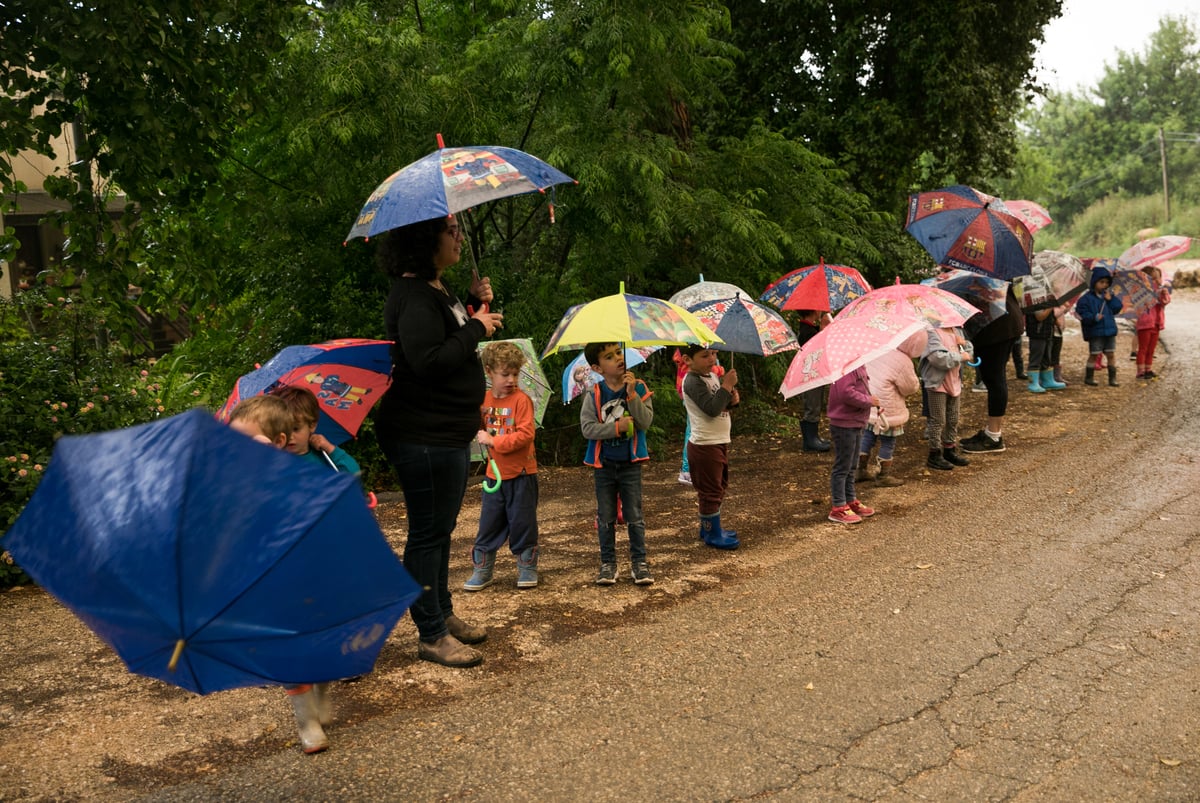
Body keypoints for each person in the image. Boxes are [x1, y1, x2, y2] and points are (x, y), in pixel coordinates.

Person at [373, 214, 504, 669]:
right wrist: (476, 327)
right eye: (451, 231)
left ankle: (442, 613)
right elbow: (427, 360)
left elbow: (447, 339)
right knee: (428, 534)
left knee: (440, 530)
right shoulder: (412, 297)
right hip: (421, 434)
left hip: (446, 430)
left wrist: (470, 305)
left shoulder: (436, 290)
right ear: (425, 239)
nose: (458, 237)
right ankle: (430, 634)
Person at [227, 395, 333, 755]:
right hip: (272, 584)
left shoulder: (298, 473)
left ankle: (321, 691)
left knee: (321, 644)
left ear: (279, 442)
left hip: (312, 576)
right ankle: (307, 721)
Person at [464, 341, 540, 591]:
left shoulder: (521, 401)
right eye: (505, 374)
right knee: (489, 523)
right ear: (489, 371)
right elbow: (477, 431)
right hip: (493, 476)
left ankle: (527, 567)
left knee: (522, 522)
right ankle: (483, 570)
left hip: (521, 474)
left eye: (515, 374)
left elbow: (526, 435)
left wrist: (494, 440)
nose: (511, 379)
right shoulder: (482, 401)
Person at [580, 341, 655, 585]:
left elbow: (645, 422)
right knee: (606, 516)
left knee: (634, 514)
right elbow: (588, 428)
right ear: (597, 367)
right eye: (609, 357)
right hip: (604, 465)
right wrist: (616, 428)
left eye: (619, 352)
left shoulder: (639, 387)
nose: (618, 359)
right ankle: (608, 564)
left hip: (630, 463)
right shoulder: (594, 393)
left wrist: (632, 395)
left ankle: (639, 563)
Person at [680, 344, 740, 549]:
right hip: (704, 445)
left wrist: (732, 399)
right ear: (688, 359)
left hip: (718, 441)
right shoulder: (692, 381)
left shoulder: (711, 376)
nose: (712, 359)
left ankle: (709, 527)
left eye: (714, 354)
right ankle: (711, 533)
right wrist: (726, 386)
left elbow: (720, 403)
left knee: (720, 485)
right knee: (710, 491)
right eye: (705, 355)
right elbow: (712, 409)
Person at [961, 285, 1024, 454]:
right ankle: (991, 432)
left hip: (998, 328)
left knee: (995, 378)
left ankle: (994, 436)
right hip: (995, 326)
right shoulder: (983, 267)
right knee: (991, 378)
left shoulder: (984, 269)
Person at [859, 329, 923, 487]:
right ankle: (883, 475)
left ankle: (859, 469)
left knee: (867, 437)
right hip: (888, 411)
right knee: (888, 442)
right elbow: (909, 387)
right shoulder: (903, 361)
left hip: (870, 404)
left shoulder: (879, 349)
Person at [269, 385, 362, 474]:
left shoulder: (322, 455)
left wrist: (330, 449)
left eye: (295, 429)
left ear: (312, 425)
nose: (289, 436)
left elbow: (352, 472)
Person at [826, 365, 878, 524]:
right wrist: (868, 401)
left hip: (857, 422)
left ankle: (850, 499)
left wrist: (871, 404)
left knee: (852, 465)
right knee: (843, 466)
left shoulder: (858, 365)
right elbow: (845, 393)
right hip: (844, 424)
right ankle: (838, 506)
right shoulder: (845, 368)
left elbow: (861, 389)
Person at [919, 327, 974, 471]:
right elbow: (938, 358)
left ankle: (949, 449)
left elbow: (968, 352)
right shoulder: (932, 333)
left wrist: (965, 344)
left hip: (954, 382)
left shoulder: (957, 331)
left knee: (953, 418)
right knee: (938, 420)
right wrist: (960, 357)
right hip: (937, 383)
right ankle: (934, 454)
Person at [1074, 264, 1123, 387]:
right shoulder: (1086, 299)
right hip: (1096, 331)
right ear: (1094, 282)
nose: (1104, 285)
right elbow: (1082, 314)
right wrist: (1094, 317)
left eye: (1106, 282)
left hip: (1109, 330)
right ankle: (1089, 377)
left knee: (1111, 354)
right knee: (1094, 354)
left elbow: (1117, 308)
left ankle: (1112, 378)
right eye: (1101, 282)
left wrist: (1110, 299)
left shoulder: (1108, 296)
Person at [794, 309, 832, 452]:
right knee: (812, 405)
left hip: (814, 373)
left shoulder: (808, 328)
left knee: (815, 404)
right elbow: (818, 345)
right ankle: (810, 441)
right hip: (810, 374)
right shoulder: (806, 331)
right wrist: (822, 330)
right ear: (813, 311)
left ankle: (814, 437)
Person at [1135, 265, 1171, 380]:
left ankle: (1148, 369)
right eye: (1153, 279)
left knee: (1151, 349)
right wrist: (1153, 293)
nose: (1157, 281)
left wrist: (1164, 293)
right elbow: (1139, 304)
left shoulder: (1160, 291)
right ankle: (1140, 371)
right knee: (1143, 348)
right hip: (1145, 324)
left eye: (1158, 278)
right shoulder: (1141, 292)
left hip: (1156, 323)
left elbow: (1165, 302)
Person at [1023, 305, 1066, 393]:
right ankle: (1033, 382)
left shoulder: (1046, 301)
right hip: (1037, 333)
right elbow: (1040, 317)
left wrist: (1054, 320)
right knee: (1036, 357)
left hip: (1047, 332)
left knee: (1047, 357)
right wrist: (1050, 306)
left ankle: (1047, 380)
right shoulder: (1035, 300)